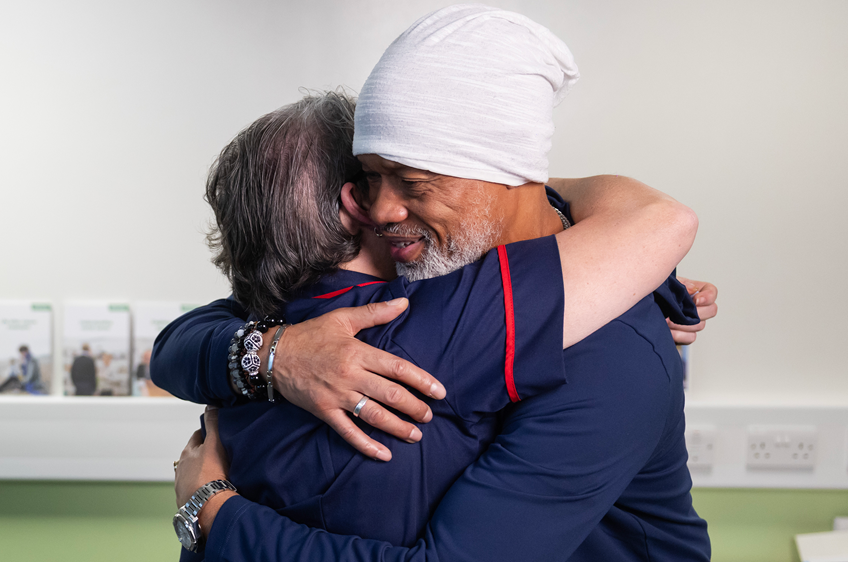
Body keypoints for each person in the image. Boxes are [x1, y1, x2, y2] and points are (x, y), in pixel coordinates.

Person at [161, 6, 713, 560]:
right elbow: (199, 332)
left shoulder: (611, 349)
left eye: (412, 182)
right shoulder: (404, 280)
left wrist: (211, 507)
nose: (380, 209)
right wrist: (274, 355)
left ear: (507, 172)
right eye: (370, 177)